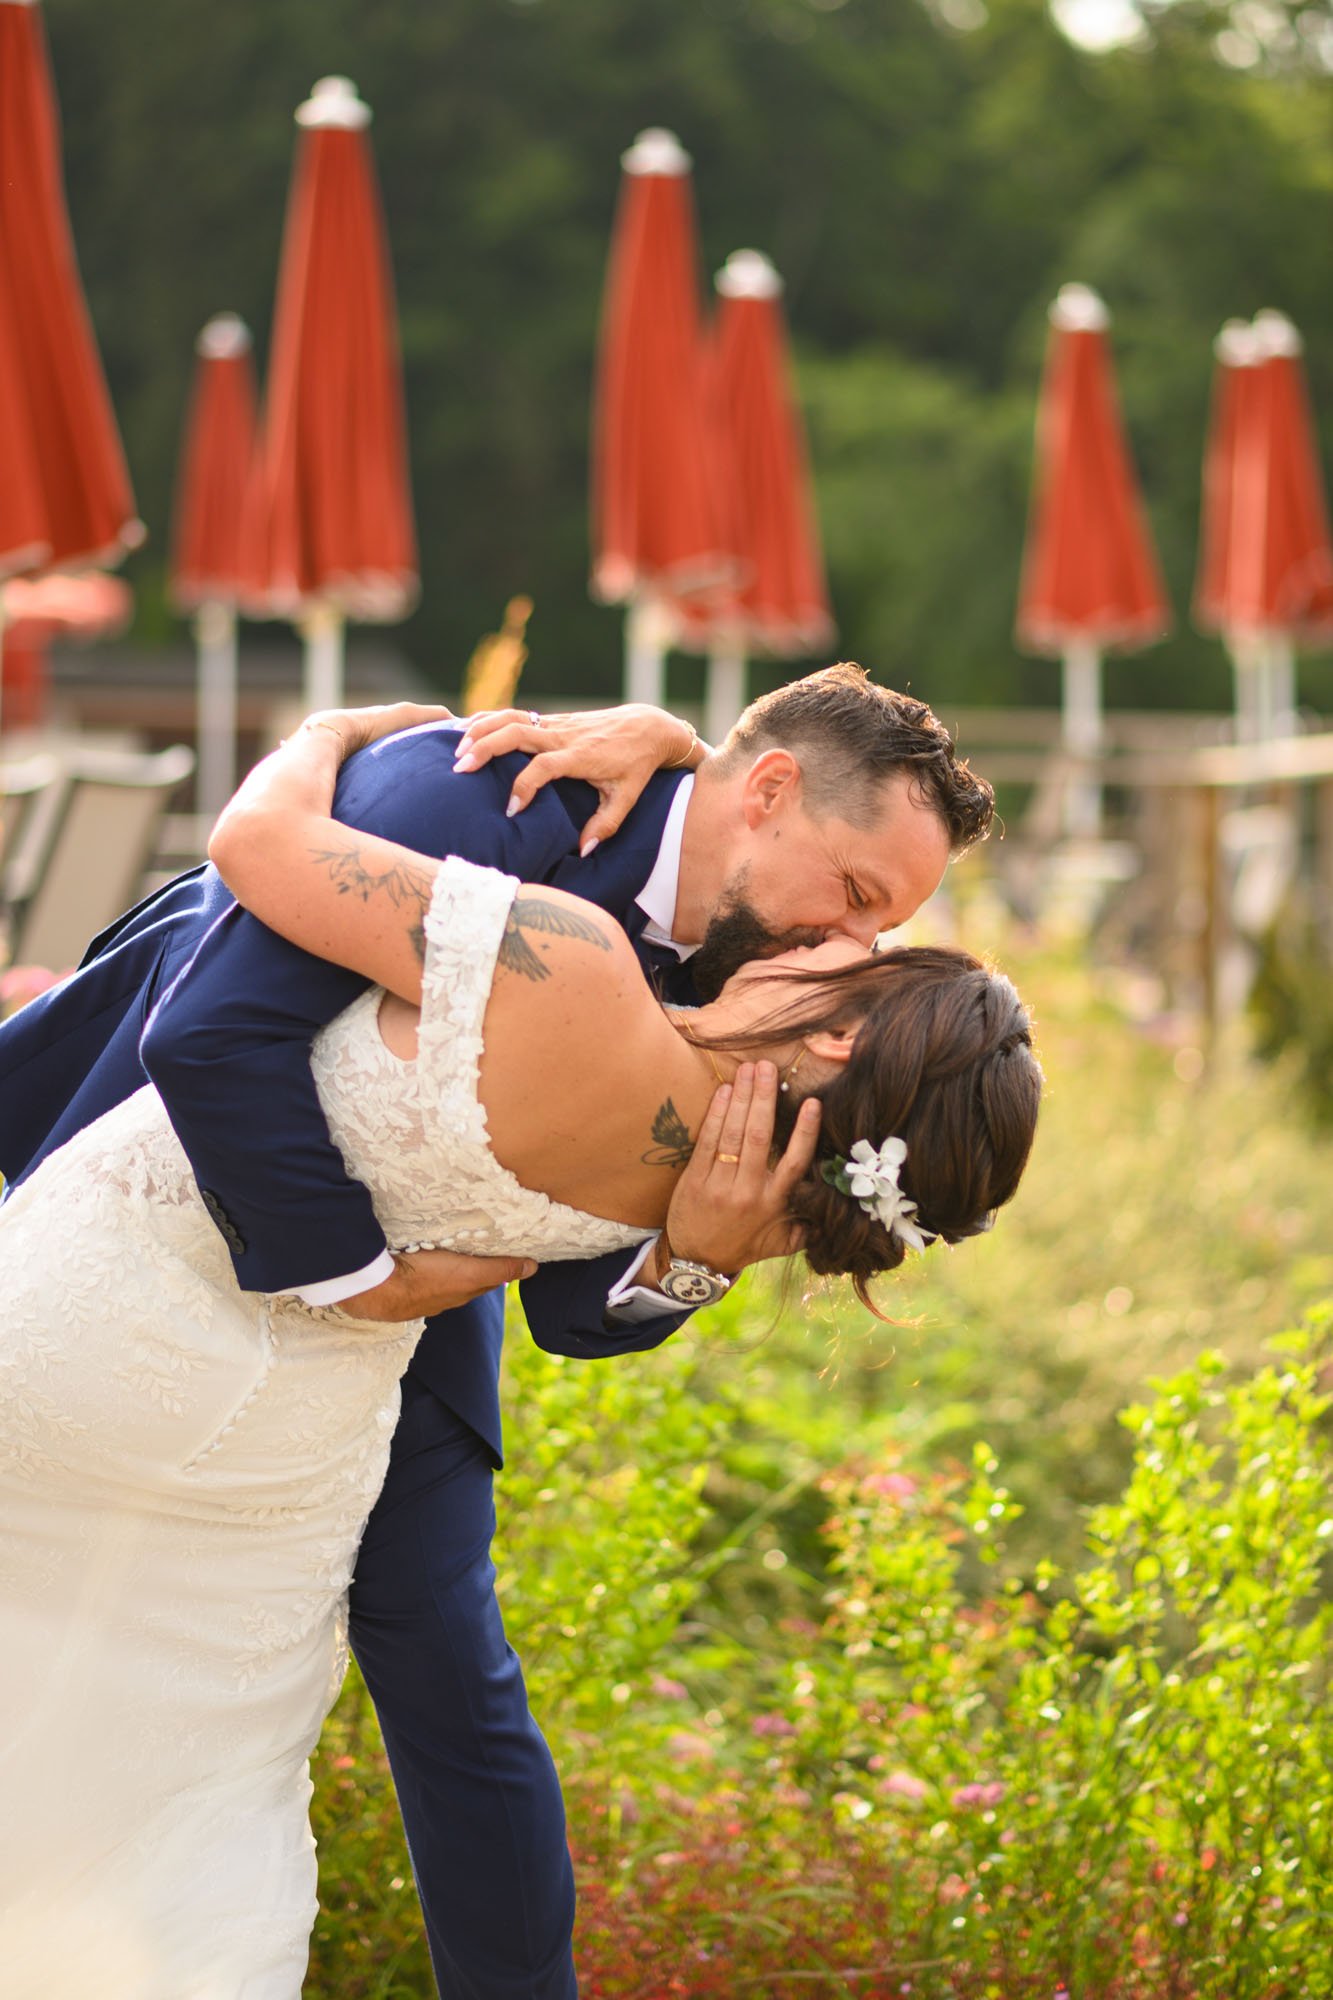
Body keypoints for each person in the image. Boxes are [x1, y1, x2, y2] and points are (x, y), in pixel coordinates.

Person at [0, 665, 999, 1997]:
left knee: (442, 1670)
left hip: (371, 1360)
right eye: (859, 898)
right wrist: (351, 1274)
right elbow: (219, 1031)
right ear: (762, 793)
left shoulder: (765, 1024)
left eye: (883, 929)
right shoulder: (482, 795)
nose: (854, 946)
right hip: (161, 1207)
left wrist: (688, 1262)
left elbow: (571, 1298)